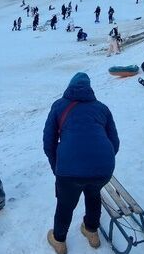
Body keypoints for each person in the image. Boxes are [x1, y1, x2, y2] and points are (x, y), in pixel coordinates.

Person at [43, 73, 119, 253]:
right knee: (93, 194)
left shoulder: (58, 106)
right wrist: (101, 162)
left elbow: (49, 142)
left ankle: (59, 240)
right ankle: (91, 232)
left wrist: (57, 167)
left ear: (69, 87)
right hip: (103, 169)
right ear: (89, 88)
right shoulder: (102, 108)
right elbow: (114, 142)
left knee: (65, 203)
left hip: (69, 170)